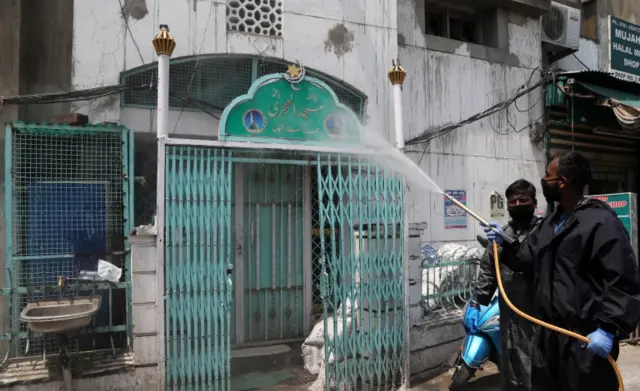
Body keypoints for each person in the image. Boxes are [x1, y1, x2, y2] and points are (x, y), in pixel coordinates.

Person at [484, 151, 640, 391]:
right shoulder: (550, 224)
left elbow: (622, 280)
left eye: (548, 175)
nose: (544, 180)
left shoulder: (600, 223)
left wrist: (608, 329)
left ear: (563, 182)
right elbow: (526, 258)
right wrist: (505, 244)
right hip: (548, 338)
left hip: (584, 342)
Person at [464, 179, 541, 391]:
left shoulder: (543, 232)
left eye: (523, 200)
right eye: (512, 201)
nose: (517, 204)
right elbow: (488, 271)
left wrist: (508, 242)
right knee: (510, 362)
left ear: (534, 203)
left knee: (535, 367)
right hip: (508, 312)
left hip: (538, 315)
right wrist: (477, 303)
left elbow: (536, 262)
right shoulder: (499, 236)